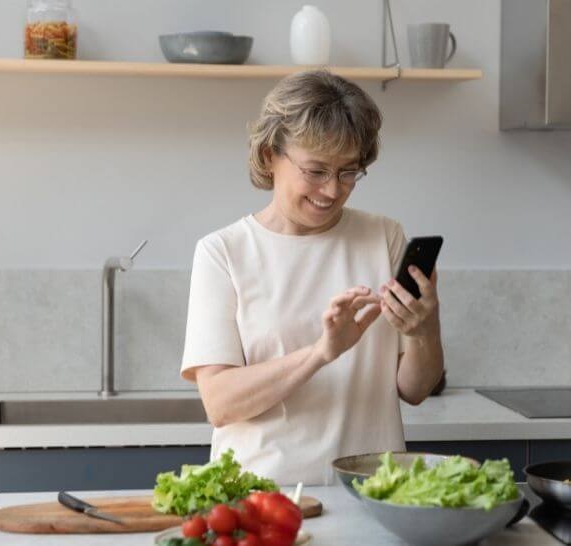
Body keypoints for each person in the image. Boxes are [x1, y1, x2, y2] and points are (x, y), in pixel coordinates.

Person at [180, 70, 444, 486]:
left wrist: (426, 329)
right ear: (270, 155)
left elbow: (415, 388)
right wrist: (322, 351)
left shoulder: (385, 237)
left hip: (373, 490)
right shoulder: (224, 252)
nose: (332, 190)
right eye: (316, 171)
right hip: (264, 496)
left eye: (348, 172)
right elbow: (220, 402)